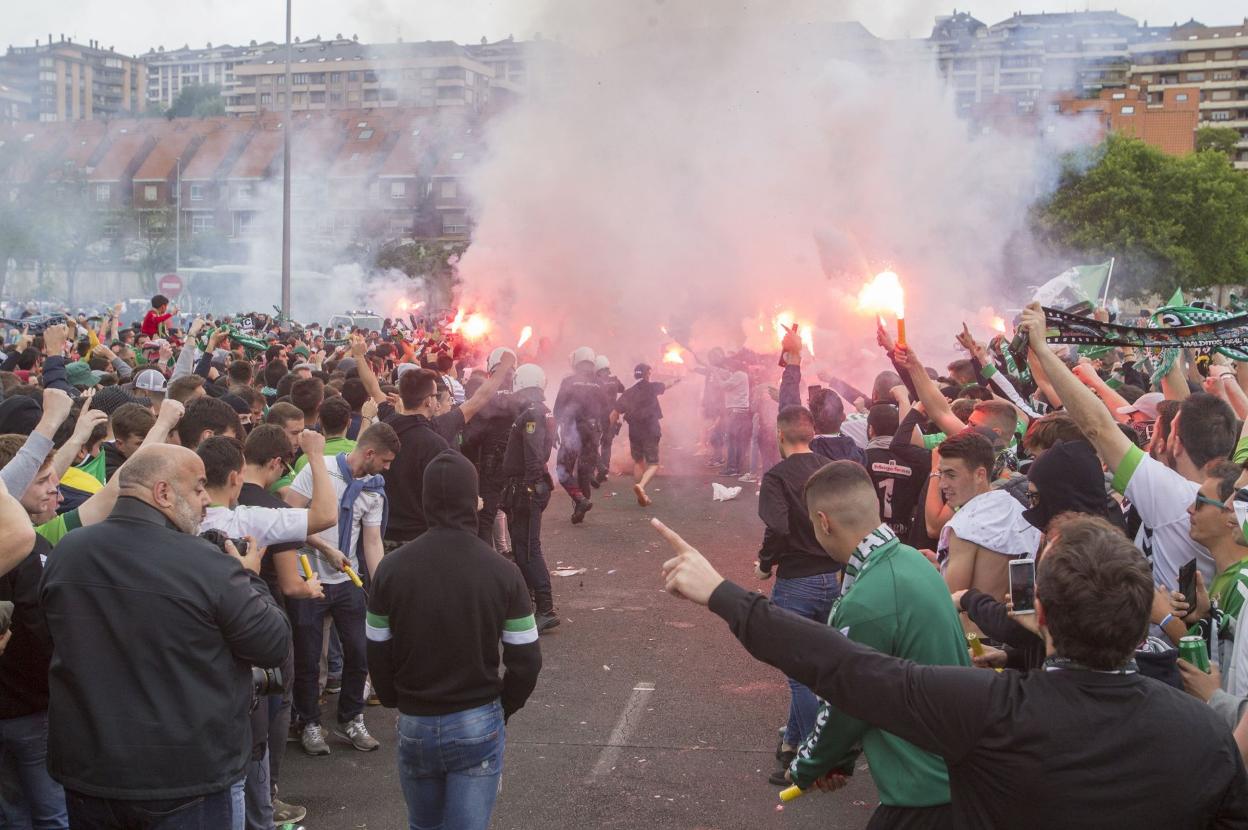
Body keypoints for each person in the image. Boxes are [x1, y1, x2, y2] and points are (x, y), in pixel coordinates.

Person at [656, 514, 1248, 827]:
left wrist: (722, 593)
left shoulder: (990, 711)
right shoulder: (1205, 737)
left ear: (1039, 613)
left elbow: (845, 666)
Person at [40, 444, 290, 828]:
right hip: (185, 778)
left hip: (90, 774)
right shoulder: (207, 565)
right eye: (199, 487)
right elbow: (272, 643)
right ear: (163, 493)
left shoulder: (67, 551)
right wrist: (251, 577)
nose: (206, 499)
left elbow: (53, 640)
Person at [786, 461, 970, 827]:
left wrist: (808, 766)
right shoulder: (909, 561)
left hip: (926, 794)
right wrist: (840, 760)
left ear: (824, 522)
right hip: (953, 775)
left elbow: (846, 703)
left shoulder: (869, 600)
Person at [367, 450, 542, 830]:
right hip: (477, 717)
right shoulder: (503, 571)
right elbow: (526, 659)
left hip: (415, 720)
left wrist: (396, 697)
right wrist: (503, 706)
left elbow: (377, 648)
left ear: (426, 500)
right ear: (473, 500)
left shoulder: (390, 570)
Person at [1018, 301, 1237, 590]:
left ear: (1176, 443)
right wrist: (1168, 344)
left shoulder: (1176, 498)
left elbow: (1099, 428)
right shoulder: (1229, 502)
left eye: (1164, 429)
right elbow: (1183, 408)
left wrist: (1043, 350)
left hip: (1162, 632)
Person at [285, 423, 399, 757]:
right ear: (369, 453)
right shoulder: (318, 470)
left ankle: (351, 718)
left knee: (360, 652)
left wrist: (379, 589)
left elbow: (373, 541)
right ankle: (308, 723)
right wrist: (324, 549)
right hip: (310, 578)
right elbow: (287, 517)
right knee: (307, 658)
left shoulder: (375, 489)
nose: (388, 468)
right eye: (387, 461)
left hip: (348, 580)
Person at [755, 405, 841, 785]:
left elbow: (777, 526)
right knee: (815, 665)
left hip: (797, 582)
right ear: (812, 433)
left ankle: (812, 758)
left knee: (799, 674)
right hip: (832, 579)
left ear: (779, 434)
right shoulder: (827, 469)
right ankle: (792, 740)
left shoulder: (776, 477)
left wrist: (764, 562)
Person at [934, 430, 1040, 603]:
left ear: (980, 475)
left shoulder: (964, 527)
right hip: (1013, 625)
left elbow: (950, 605)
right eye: (941, 474)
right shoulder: (1020, 512)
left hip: (972, 629)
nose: (942, 484)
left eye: (951, 475)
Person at [502, 364, 559, 632]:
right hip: (526, 487)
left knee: (527, 549)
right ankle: (533, 603)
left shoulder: (533, 413)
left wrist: (528, 487)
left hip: (525, 489)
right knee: (525, 547)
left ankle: (545, 608)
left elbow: (534, 455)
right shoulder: (539, 411)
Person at [380, 367, 449, 550]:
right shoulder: (434, 444)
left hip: (381, 537)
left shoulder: (382, 432)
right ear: (428, 401)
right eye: (435, 395)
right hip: (420, 539)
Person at [553, 346, 607, 524]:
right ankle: (581, 508)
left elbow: (558, 408)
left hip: (572, 430)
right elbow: (605, 409)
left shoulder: (569, 381)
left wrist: (554, 430)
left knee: (563, 471)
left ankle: (580, 500)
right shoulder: (600, 383)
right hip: (593, 431)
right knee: (585, 472)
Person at [865, 401, 930, 539]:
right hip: (907, 537)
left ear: (871, 429)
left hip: (872, 538)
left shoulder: (861, 459)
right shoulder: (916, 460)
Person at [611, 363, 667, 508]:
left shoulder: (628, 392)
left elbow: (615, 412)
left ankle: (640, 494)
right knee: (653, 464)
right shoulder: (652, 387)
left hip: (634, 431)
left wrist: (612, 427)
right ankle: (641, 487)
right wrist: (679, 379)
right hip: (650, 430)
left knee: (638, 461)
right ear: (647, 373)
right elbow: (665, 385)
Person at [593, 355, 625, 485]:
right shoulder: (615, 379)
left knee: (592, 445)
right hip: (612, 416)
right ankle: (605, 472)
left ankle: (600, 467)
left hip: (598, 416)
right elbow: (623, 390)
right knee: (607, 445)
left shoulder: (594, 381)